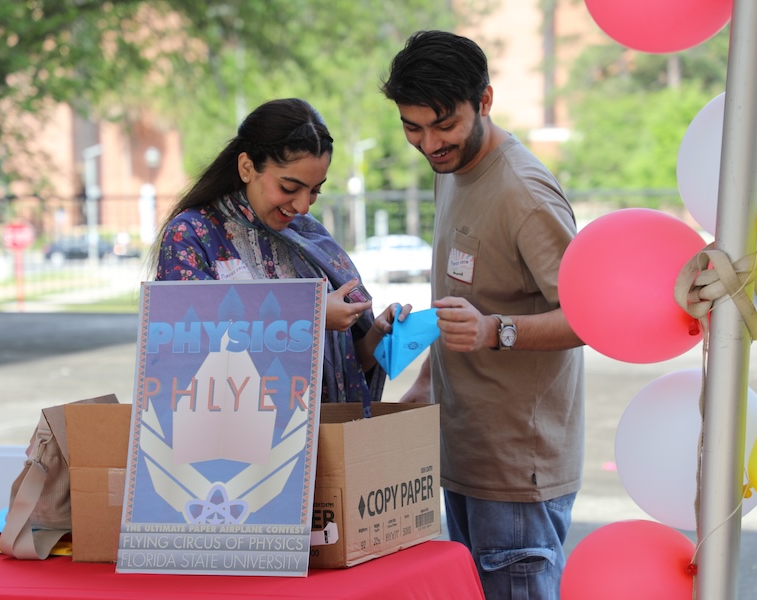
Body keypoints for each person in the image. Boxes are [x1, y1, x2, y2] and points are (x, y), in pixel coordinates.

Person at [381, 31, 585, 599]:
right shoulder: (451, 168)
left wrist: (498, 330)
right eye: (412, 127)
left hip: (518, 472)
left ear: (486, 101)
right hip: (465, 453)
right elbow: (458, 296)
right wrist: (425, 383)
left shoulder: (524, 191)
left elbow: (590, 318)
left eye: (443, 125)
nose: (428, 143)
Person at [149, 97, 409, 410]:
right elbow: (188, 344)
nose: (302, 206)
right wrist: (308, 316)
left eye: (314, 190)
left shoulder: (306, 236)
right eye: (289, 188)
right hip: (234, 443)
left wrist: (378, 334)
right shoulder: (191, 236)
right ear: (247, 167)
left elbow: (346, 373)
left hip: (319, 442)